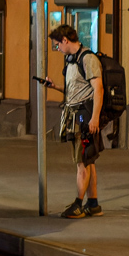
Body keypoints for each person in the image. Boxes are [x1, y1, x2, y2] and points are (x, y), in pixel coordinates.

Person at [41, 24, 105, 218]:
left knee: (81, 162)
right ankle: (92, 203)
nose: (57, 48)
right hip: (77, 115)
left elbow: (98, 89)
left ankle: (78, 204)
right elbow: (75, 90)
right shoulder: (71, 61)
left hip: (84, 117)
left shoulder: (88, 59)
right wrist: (55, 87)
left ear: (65, 40)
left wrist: (94, 118)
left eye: (57, 44)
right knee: (88, 160)